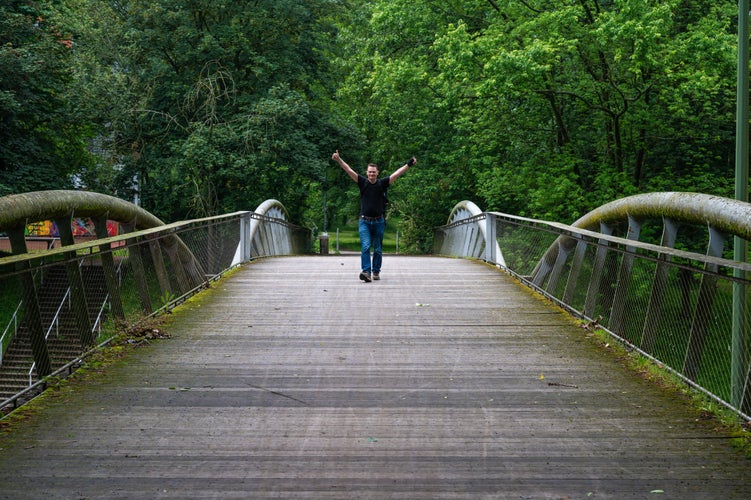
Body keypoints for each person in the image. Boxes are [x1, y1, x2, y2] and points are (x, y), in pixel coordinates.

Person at [332, 150, 416, 282]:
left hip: (378, 222)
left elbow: (397, 174)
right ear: (367, 173)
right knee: (365, 246)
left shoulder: (382, 183)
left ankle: (376, 271)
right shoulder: (362, 183)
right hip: (364, 221)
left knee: (377, 249)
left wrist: (408, 164)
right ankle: (366, 272)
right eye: (369, 171)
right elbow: (348, 170)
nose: (371, 174)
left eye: (374, 172)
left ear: (377, 173)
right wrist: (338, 160)